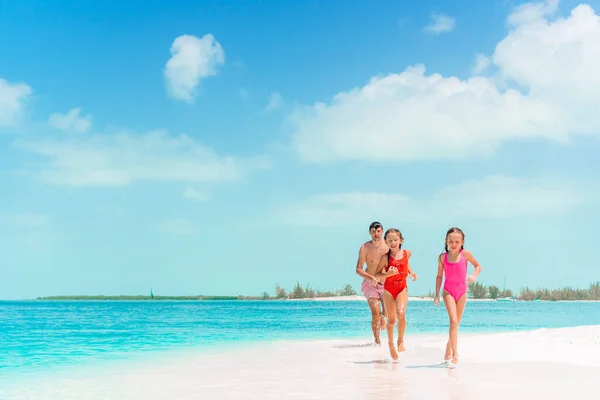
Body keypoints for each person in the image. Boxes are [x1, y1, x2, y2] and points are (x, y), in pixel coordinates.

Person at [433, 227, 482, 366]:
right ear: (446, 241)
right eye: (451, 241)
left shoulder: (466, 254)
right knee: (453, 321)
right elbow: (439, 276)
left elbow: (478, 266)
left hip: (462, 293)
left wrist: (473, 275)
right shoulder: (442, 257)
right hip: (448, 291)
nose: (453, 244)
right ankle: (455, 354)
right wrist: (436, 294)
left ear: (462, 242)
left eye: (456, 241)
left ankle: (448, 347)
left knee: (456, 324)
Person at [374, 228, 417, 360]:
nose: (393, 242)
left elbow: (406, 263)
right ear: (386, 242)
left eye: (395, 240)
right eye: (389, 240)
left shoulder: (407, 253)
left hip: (402, 288)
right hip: (388, 291)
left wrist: (411, 273)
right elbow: (377, 274)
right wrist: (388, 274)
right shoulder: (385, 258)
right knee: (391, 321)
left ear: (401, 241)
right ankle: (390, 343)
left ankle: (400, 341)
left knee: (401, 313)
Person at [355, 221, 389, 345]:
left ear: (382, 231)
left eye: (378, 231)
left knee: (387, 313)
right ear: (370, 232)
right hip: (370, 284)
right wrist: (370, 277)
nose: (376, 234)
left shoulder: (388, 247)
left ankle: (383, 317)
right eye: (373, 231)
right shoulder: (365, 247)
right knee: (375, 312)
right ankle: (377, 342)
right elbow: (358, 269)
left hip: (385, 284)